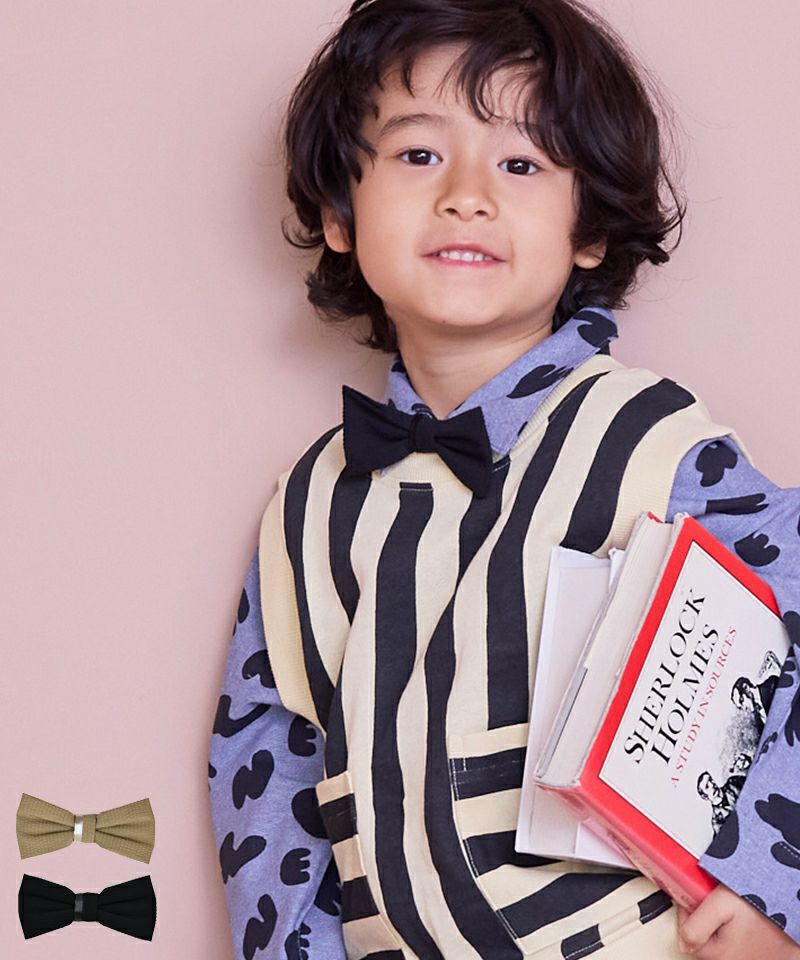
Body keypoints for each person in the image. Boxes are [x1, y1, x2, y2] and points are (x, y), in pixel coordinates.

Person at [207, 2, 800, 958]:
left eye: (521, 164)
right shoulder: (310, 504)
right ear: (339, 215)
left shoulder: (649, 442)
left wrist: (771, 890)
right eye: (419, 154)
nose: (467, 195)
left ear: (589, 228)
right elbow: (269, 766)